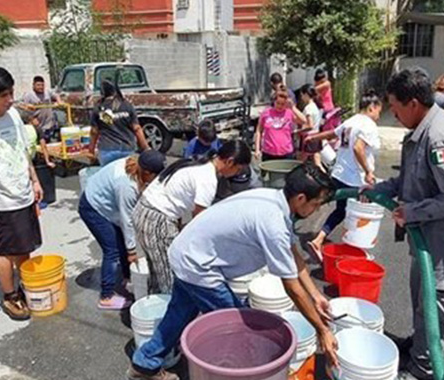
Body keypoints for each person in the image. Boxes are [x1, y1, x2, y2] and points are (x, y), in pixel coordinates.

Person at [127, 163, 339, 380]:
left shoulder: (271, 197)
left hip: (188, 252)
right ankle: (236, 372)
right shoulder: (273, 223)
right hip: (198, 265)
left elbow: (293, 253)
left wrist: (316, 296)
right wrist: (323, 330)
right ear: (301, 198)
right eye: (316, 204)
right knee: (238, 326)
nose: (317, 209)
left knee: (179, 314)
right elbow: (292, 287)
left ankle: (144, 364)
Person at [371, 68, 444, 380]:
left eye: (394, 107)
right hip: (429, 242)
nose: (392, 114)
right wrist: (378, 189)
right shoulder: (423, 128)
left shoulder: (439, 137)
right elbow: (414, 179)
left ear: (412, 103)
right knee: (422, 304)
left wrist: (411, 212)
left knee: (436, 310)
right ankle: (419, 348)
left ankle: (423, 368)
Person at [133, 141, 251, 294]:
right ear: (229, 162)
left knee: (157, 271)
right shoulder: (208, 179)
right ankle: (168, 314)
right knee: (171, 277)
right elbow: (200, 222)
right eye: (238, 169)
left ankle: (155, 308)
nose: (237, 174)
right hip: (157, 220)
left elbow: (176, 196)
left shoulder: (196, 162)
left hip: (143, 211)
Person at [79, 151, 166, 309]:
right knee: (112, 250)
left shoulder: (135, 164)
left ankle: (127, 278)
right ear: (147, 172)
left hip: (106, 202)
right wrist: (132, 251)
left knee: (122, 244)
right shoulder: (127, 186)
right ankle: (106, 296)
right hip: (93, 207)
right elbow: (127, 221)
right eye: (155, 177)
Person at [306, 90, 383, 260]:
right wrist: (369, 171)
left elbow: (333, 133)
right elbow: (358, 148)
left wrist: (314, 137)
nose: (379, 115)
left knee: (341, 211)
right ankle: (356, 251)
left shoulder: (351, 121)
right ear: (373, 107)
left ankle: (318, 240)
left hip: (339, 174)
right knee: (360, 216)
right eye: (379, 110)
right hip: (355, 180)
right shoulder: (369, 125)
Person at [0, 67, 43, 321]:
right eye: (4, 95)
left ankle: (25, 283)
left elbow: (22, 151)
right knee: (5, 250)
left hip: (23, 193)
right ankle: (10, 295)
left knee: (24, 245)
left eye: (11, 93)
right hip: (3, 201)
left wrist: (34, 180)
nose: (11, 99)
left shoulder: (13, 115)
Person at [89, 80, 150, 166]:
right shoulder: (127, 105)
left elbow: (94, 132)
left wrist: (91, 151)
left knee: (108, 177)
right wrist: (145, 148)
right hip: (127, 149)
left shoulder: (99, 108)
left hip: (107, 150)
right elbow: (137, 129)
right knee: (126, 177)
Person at [254, 90, 301, 161]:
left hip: (286, 153)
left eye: (283, 104)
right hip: (269, 152)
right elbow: (259, 131)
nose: (280, 106)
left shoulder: (289, 113)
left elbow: (303, 121)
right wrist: (257, 149)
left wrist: (293, 107)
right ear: (274, 102)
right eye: (278, 103)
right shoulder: (266, 113)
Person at [297, 84, 324, 166]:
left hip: (308, 137)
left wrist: (297, 131)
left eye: (302, 95)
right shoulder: (315, 106)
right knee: (317, 162)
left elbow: (310, 125)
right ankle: (324, 177)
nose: (301, 98)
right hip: (317, 135)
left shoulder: (308, 108)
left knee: (301, 162)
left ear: (306, 94)